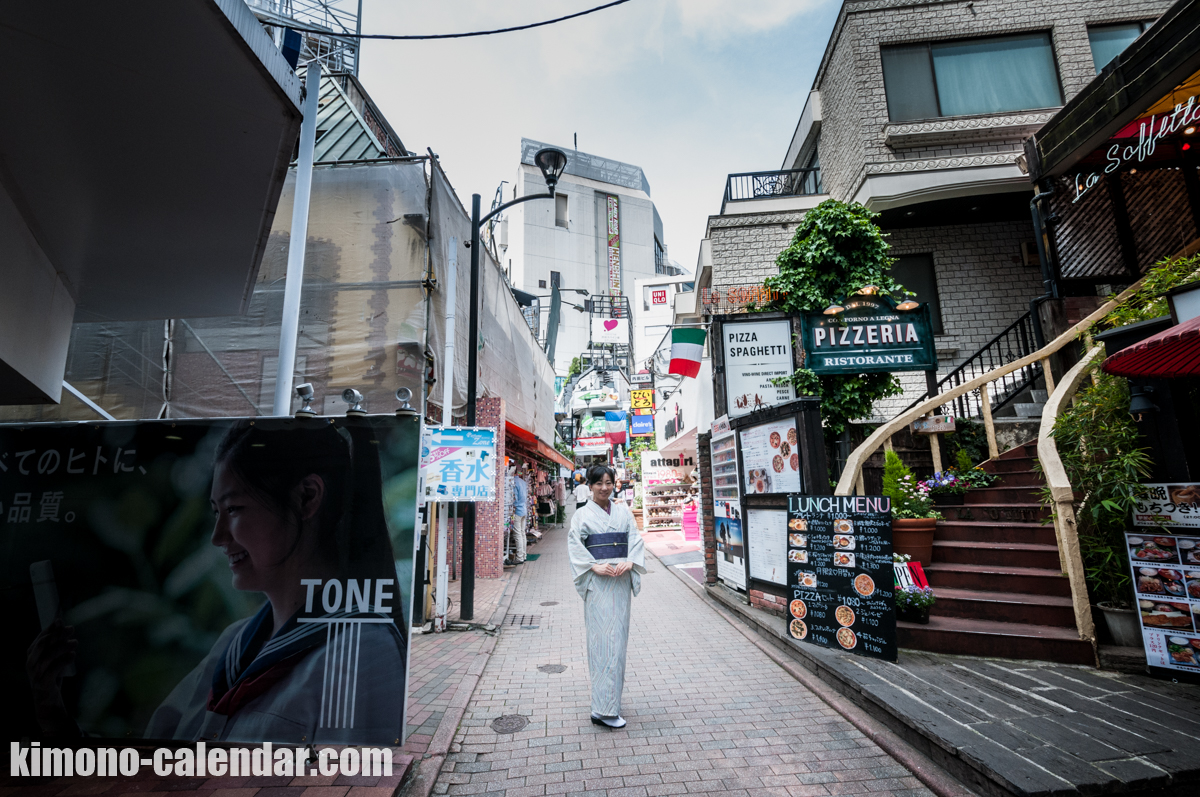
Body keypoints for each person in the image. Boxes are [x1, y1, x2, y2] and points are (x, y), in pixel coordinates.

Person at [567, 464, 645, 729]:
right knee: (601, 643)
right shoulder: (581, 516)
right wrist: (592, 566)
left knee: (618, 642)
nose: (604, 488)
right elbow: (575, 545)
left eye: (608, 482)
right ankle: (603, 709)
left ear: (615, 484)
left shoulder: (623, 512)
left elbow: (634, 540)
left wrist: (631, 562)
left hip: (620, 582)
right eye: (598, 483)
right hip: (599, 584)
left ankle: (609, 705)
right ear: (589, 486)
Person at [510, 465, 529, 564]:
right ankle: (524, 555)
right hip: (524, 509)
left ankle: (520, 557)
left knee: (518, 534)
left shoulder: (513, 482)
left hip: (517, 510)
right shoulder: (523, 482)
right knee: (522, 533)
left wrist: (512, 506)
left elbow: (514, 499)